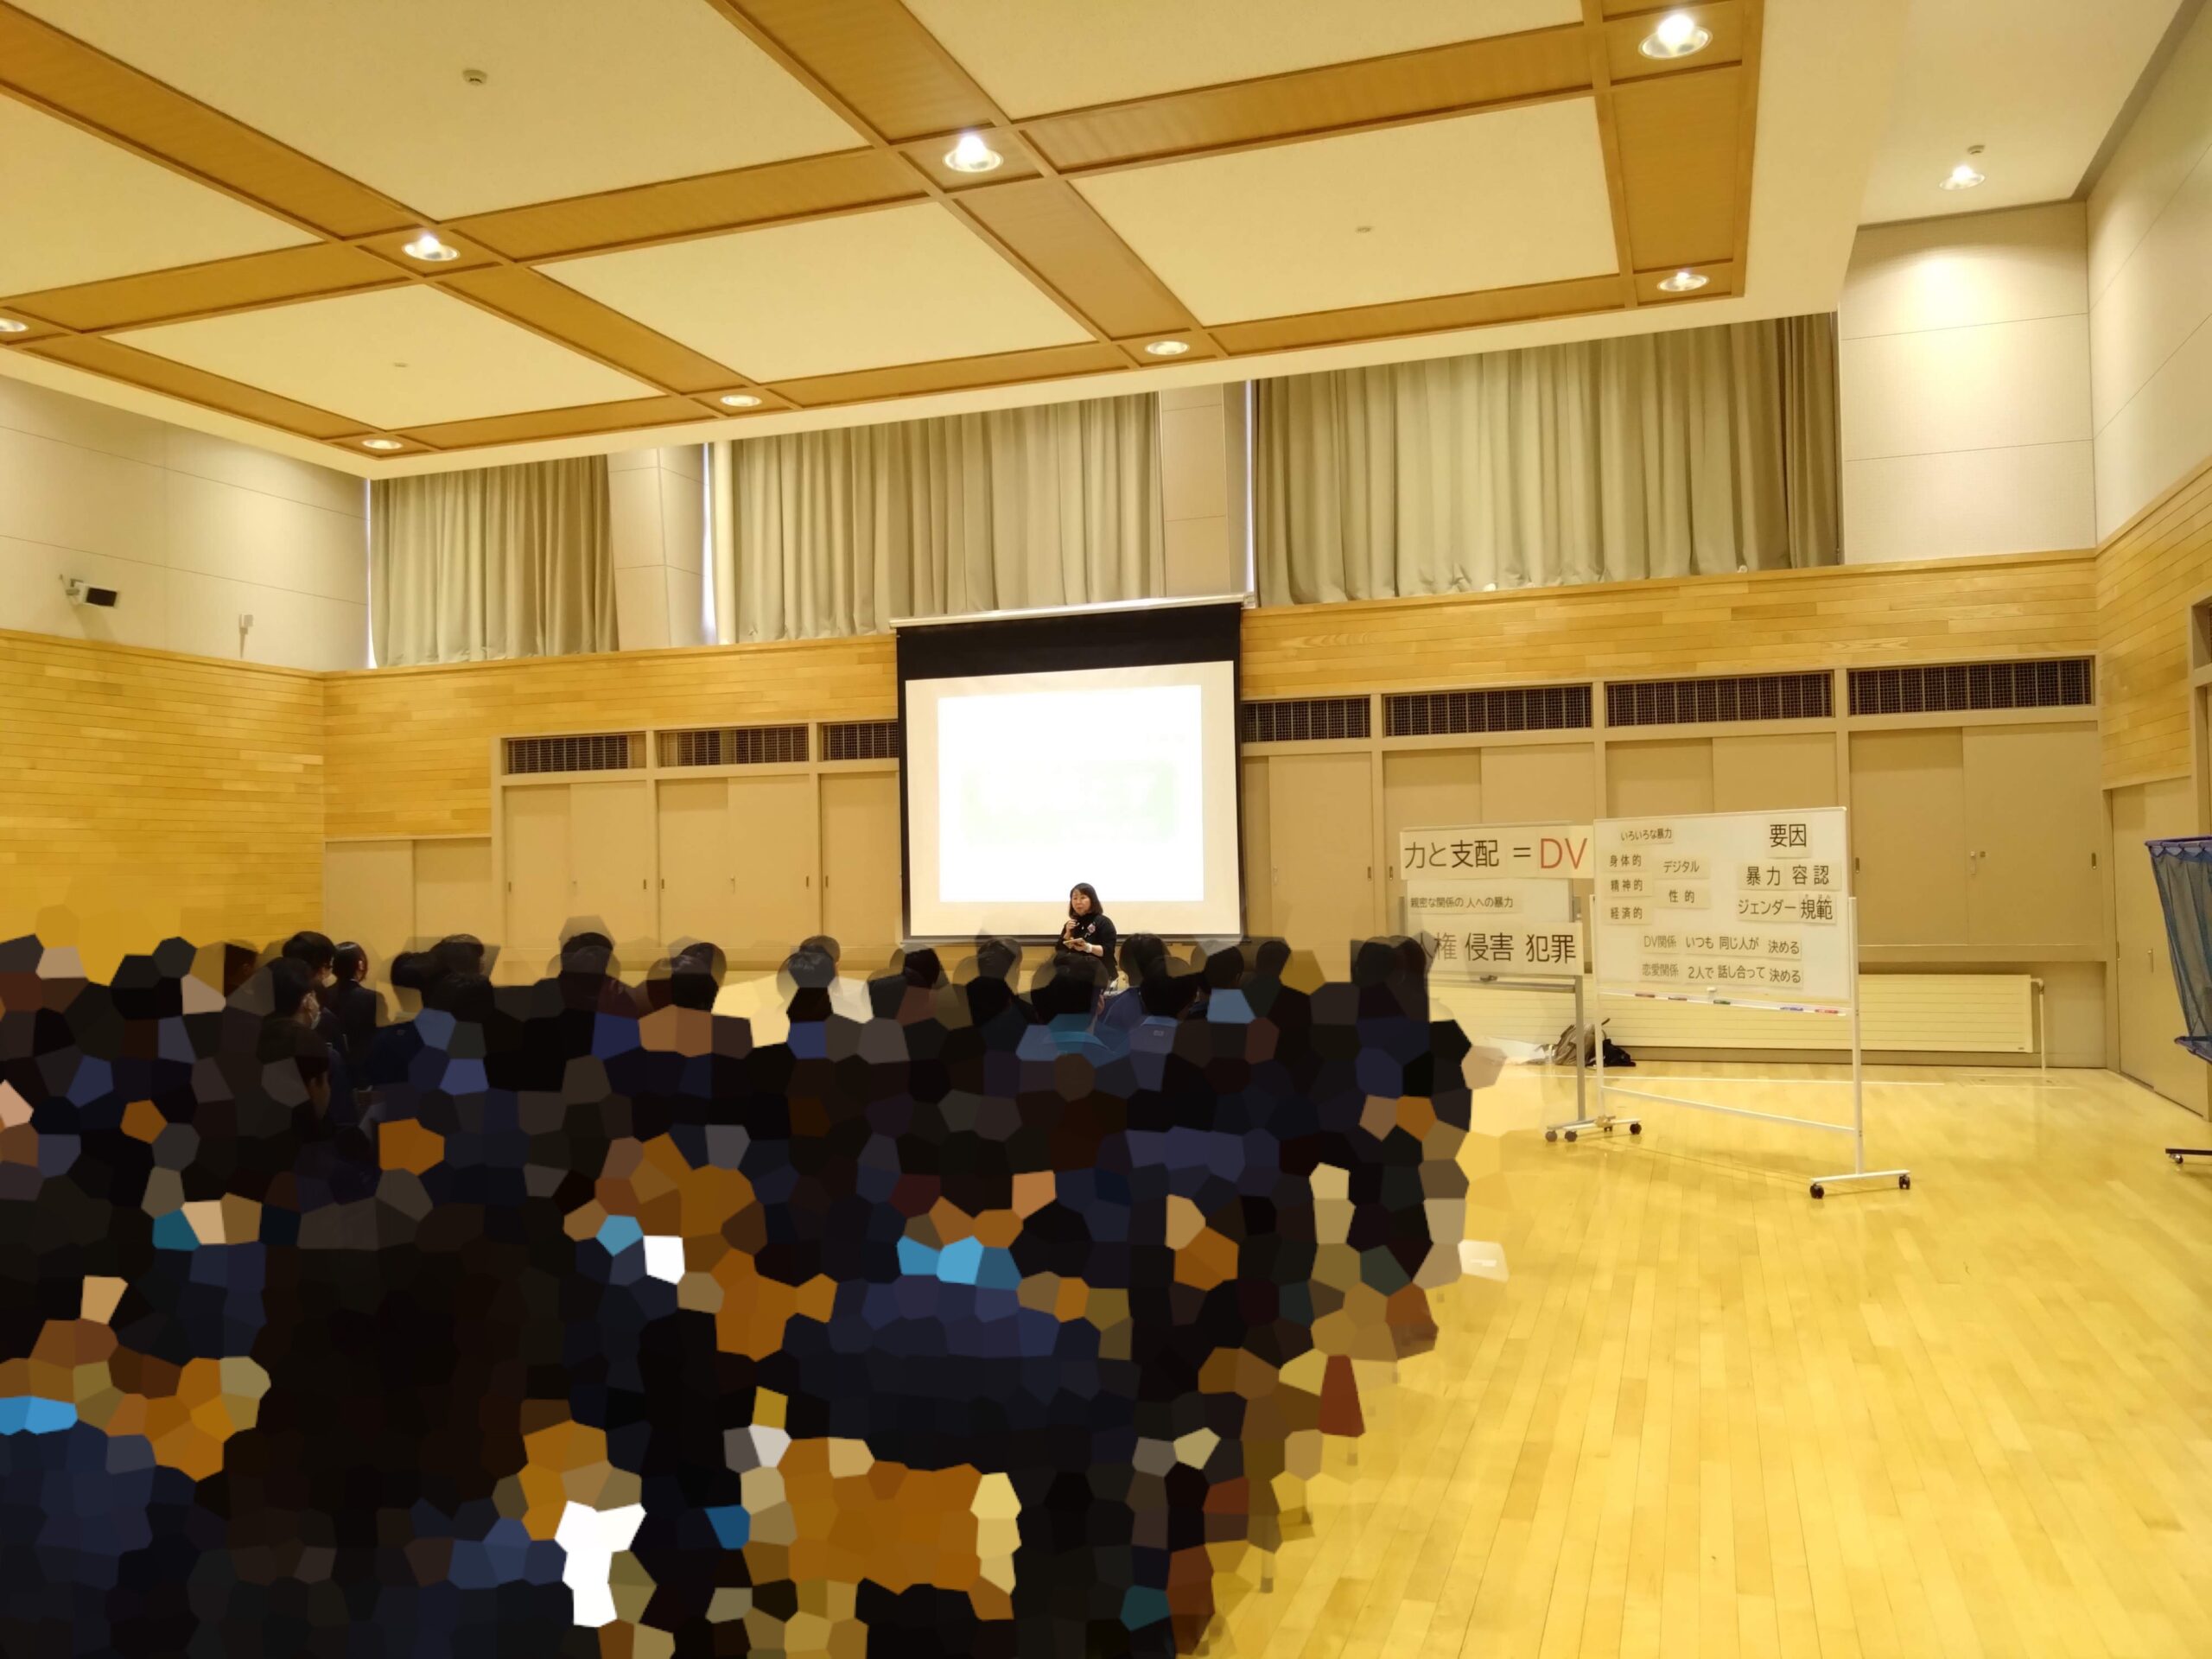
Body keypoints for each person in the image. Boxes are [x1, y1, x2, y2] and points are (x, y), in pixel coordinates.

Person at [1056, 883, 1116, 983]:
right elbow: (1059, 952)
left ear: (1092, 900)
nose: (1078, 902)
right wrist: (1067, 934)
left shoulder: (1103, 922)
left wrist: (1087, 947)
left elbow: (1108, 951)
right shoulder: (1071, 924)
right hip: (1075, 977)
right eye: (1075, 898)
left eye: (1083, 898)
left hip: (1101, 976)